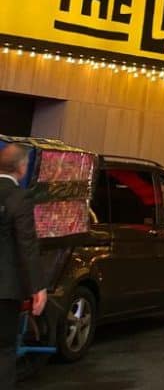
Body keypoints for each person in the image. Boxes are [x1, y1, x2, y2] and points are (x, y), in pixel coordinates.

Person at [0, 143, 46, 388]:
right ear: (21, 167)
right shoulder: (20, 197)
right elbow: (27, 245)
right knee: (4, 350)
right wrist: (37, 287)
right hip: (5, 291)